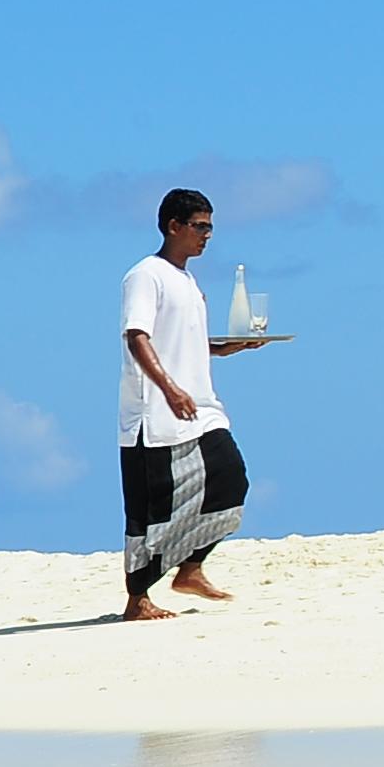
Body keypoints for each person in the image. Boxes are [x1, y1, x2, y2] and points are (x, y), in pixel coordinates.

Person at [119, 188, 273, 620]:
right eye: (200, 226)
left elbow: (183, 342)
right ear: (174, 226)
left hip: (200, 406)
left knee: (230, 479)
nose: (208, 235)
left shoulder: (187, 280)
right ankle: (137, 599)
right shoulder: (145, 275)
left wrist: (227, 349)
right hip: (153, 414)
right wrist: (169, 389)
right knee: (150, 509)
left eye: (210, 226)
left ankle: (190, 568)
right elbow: (137, 337)